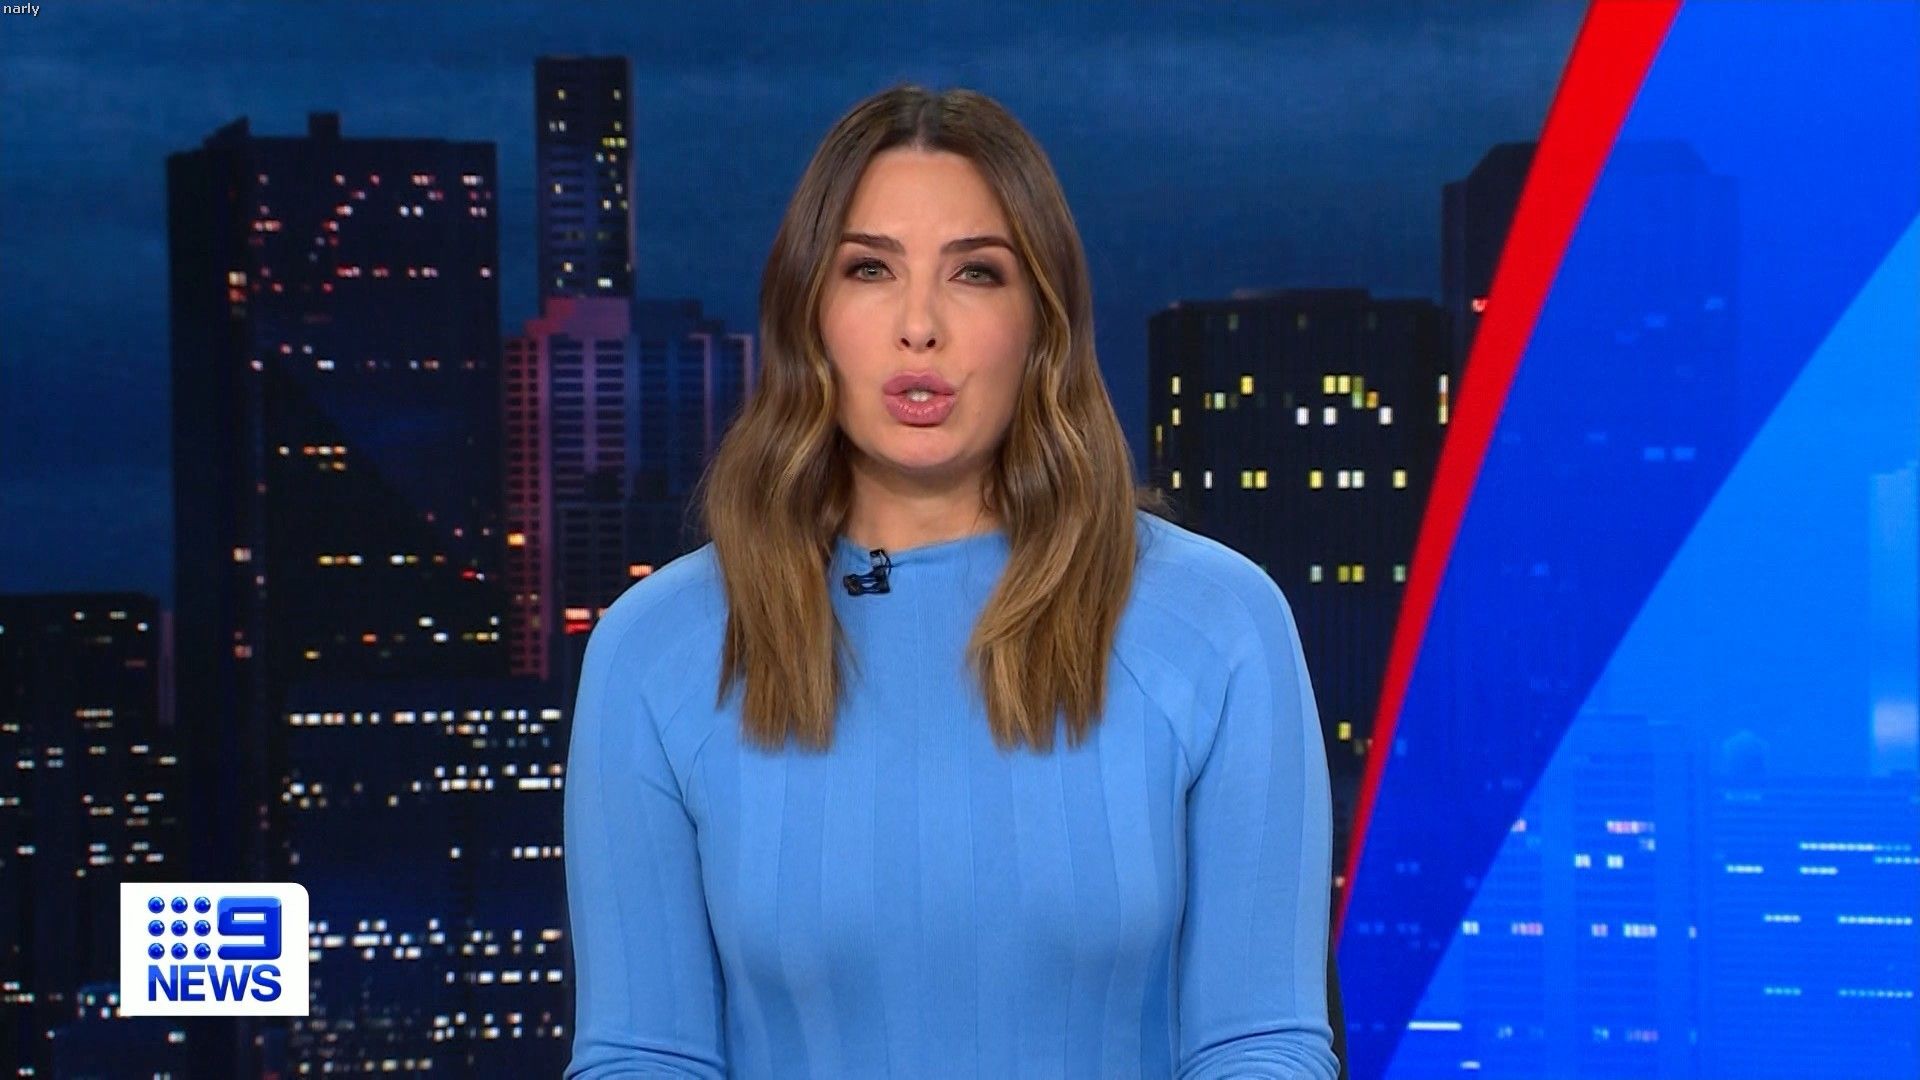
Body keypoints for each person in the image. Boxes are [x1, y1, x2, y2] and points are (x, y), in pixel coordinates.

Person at [563, 83, 1337, 1080]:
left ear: (1042, 322)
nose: (918, 325)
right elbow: (641, 1055)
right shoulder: (656, 647)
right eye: (869, 269)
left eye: (976, 272)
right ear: (808, 313)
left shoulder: (1219, 624)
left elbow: (1261, 1043)